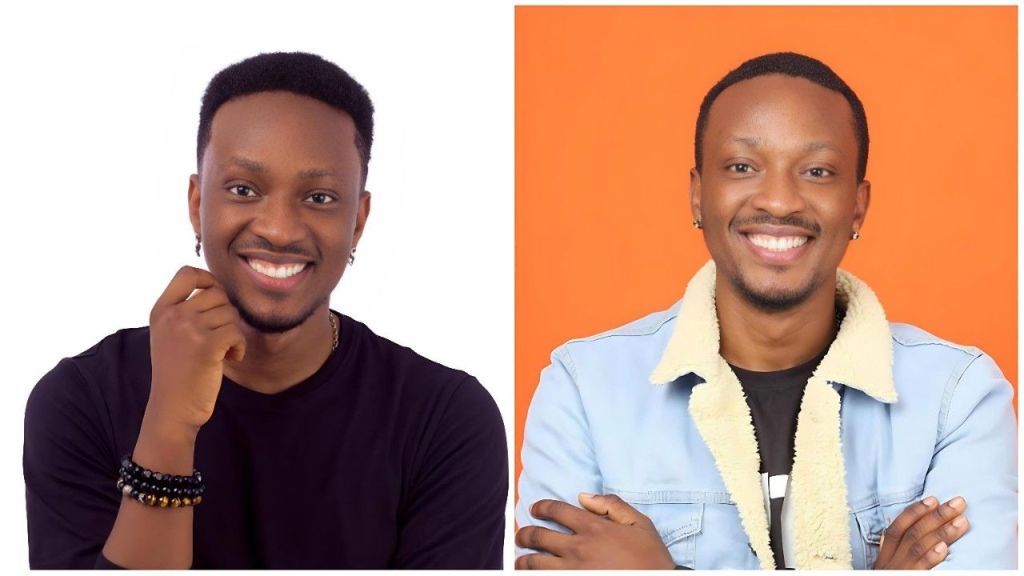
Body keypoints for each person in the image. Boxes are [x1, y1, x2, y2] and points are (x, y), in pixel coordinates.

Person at [514, 52, 1016, 569]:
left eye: (817, 171)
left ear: (857, 206)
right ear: (697, 195)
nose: (778, 201)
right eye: (742, 167)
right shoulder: (584, 389)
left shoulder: (957, 397)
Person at [24, 52, 507, 569]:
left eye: (319, 197)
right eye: (243, 189)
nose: (278, 229)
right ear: (197, 204)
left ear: (358, 222)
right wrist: (170, 424)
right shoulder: (81, 401)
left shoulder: (445, 419)